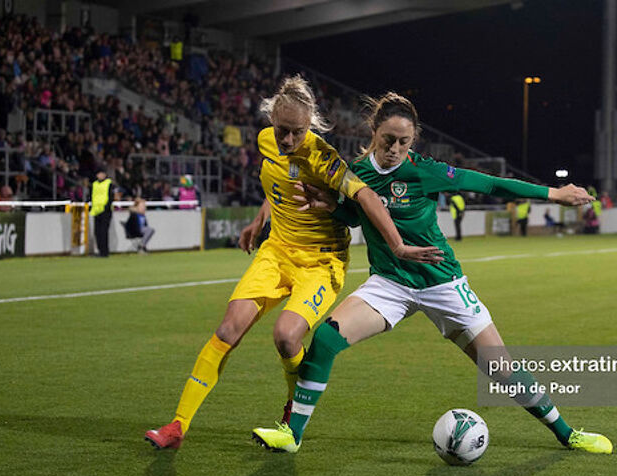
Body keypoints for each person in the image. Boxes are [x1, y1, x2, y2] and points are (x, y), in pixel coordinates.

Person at [252, 92, 612, 454]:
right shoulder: (356, 174)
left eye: (403, 142)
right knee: (326, 341)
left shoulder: (425, 172)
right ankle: (292, 434)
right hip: (389, 283)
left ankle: (567, 434)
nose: (394, 148)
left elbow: (489, 184)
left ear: (414, 140)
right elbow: (353, 217)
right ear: (373, 132)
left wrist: (554, 193)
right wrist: (332, 206)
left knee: (501, 371)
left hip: (441, 282)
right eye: (387, 140)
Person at [145, 76, 440, 450]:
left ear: (311, 124)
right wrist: (259, 219)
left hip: (321, 261)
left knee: (286, 337)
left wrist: (397, 246)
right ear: (272, 122)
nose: (287, 140)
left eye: (297, 133)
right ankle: (177, 425)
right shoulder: (266, 142)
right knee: (227, 330)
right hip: (277, 250)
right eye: (282, 130)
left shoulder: (324, 158)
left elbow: (366, 197)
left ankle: (292, 408)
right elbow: (280, 184)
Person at [89, 169, 113, 257]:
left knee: (103, 232)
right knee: (97, 232)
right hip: (96, 210)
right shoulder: (94, 184)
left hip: (105, 210)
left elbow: (110, 197)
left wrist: (106, 207)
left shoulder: (108, 183)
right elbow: (92, 196)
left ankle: (104, 252)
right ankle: (100, 250)